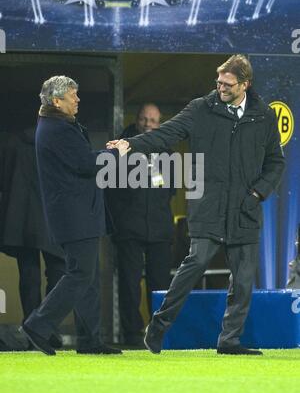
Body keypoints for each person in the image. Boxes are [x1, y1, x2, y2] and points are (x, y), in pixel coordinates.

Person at [107, 55, 285, 355]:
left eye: (227, 84)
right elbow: (165, 135)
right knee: (194, 266)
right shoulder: (200, 108)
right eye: (218, 82)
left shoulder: (264, 116)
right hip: (209, 207)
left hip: (245, 209)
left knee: (243, 279)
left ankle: (229, 340)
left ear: (245, 84)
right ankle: (158, 326)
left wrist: (257, 193)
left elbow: (276, 163)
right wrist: (132, 144)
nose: (221, 88)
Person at [21, 75, 128, 356]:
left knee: (88, 278)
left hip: (78, 214)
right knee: (80, 274)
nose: (78, 100)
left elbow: (80, 159)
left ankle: (89, 340)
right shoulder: (57, 129)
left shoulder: (55, 126)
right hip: (75, 215)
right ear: (57, 101)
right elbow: (85, 164)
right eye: (72, 96)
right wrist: (116, 154)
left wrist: (105, 152)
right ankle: (38, 324)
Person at [108, 103, 174, 347]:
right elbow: (110, 191)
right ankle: (132, 335)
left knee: (160, 286)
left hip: (159, 231)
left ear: (160, 124)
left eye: (154, 120)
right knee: (129, 284)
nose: (148, 124)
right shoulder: (119, 149)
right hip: (129, 230)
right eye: (145, 119)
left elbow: (169, 191)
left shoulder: (166, 151)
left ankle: (157, 334)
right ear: (136, 120)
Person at [0, 128, 65, 350]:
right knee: (58, 270)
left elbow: (5, 180)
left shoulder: (13, 142)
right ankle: (47, 326)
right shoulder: (58, 141)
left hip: (22, 216)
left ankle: (32, 327)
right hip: (52, 213)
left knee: (29, 274)